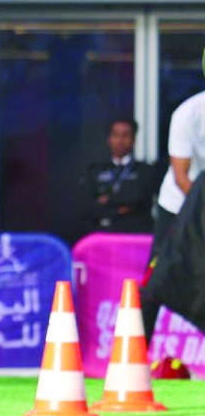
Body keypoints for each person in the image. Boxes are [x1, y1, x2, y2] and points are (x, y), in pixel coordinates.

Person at [142, 87, 205, 341]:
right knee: (157, 276)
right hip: (178, 204)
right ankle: (138, 347)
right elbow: (181, 175)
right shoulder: (188, 113)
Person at [82, 118, 158, 235]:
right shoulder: (95, 170)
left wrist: (108, 200)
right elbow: (87, 205)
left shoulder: (146, 170)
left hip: (135, 233)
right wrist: (120, 209)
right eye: (116, 135)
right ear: (109, 139)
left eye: (125, 135)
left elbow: (138, 198)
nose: (120, 140)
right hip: (101, 235)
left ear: (134, 139)